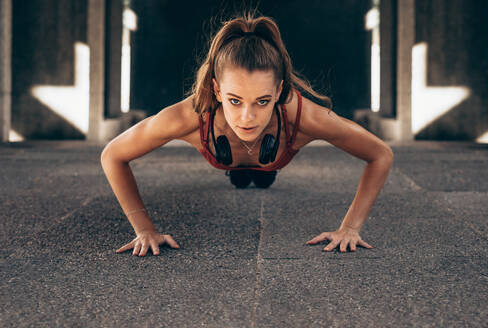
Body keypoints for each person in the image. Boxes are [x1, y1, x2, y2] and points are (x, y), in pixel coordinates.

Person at [100, 14, 394, 257]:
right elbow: (113, 155)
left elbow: (380, 154)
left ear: (279, 92)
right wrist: (144, 229)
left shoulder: (304, 117)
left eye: (262, 101)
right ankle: (237, 173)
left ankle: (259, 172)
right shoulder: (189, 116)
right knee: (240, 175)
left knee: (263, 172)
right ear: (217, 90)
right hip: (225, 155)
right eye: (235, 100)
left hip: (272, 160)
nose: (247, 117)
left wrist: (350, 228)